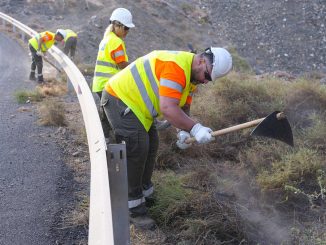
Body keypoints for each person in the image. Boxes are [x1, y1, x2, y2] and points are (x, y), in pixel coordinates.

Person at [101, 47, 232, 229]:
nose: (206, 81)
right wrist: (195, 128)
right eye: (207, 76)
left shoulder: (191, 75)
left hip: (138, 108)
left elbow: (183, 106)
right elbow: (168, 108)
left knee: (152, 144)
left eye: (209, 80)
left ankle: (144, 193)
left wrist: (183, 131)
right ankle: (133, 208)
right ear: (202, 60)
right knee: (138, 147)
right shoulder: (176, 67)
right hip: (119, 98)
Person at [92, 7, 135, 98]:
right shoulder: (116, 41)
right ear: (117, 25)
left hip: (100, 84)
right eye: (126, 28)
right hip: (108, 85)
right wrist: (136, 66)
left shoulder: (106, 39)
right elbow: (121, 64)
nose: (127, 31)